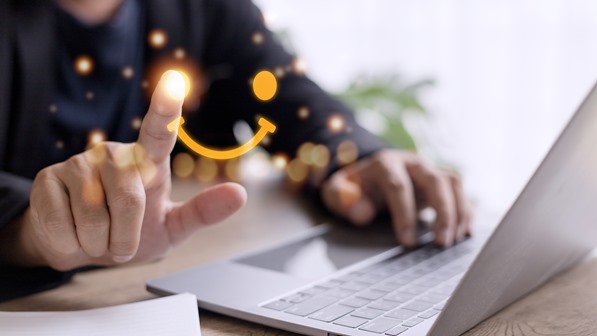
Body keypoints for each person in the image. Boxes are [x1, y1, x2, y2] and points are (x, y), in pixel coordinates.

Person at [0, 0, 472, 301]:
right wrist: (28, 233)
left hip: (160, 291)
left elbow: (288, 93)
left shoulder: (204, 9)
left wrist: (356, 158)